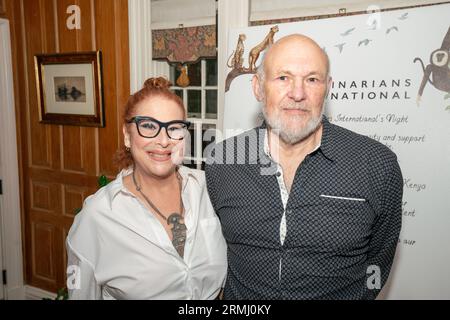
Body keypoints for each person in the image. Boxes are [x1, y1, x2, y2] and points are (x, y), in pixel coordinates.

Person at [205, 34, 403, 299]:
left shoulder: (376, 165)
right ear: (258, 87)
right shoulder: (223, 160)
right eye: (283, 77)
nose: (298, 94)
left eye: (312, 79)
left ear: (327, 87)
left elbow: (378, 259)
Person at [66, 77, 227, 299]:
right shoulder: (98, 216)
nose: (163, 141)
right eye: (148, 126)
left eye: (174, 128)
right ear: (127, 135)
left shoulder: (209, 189)